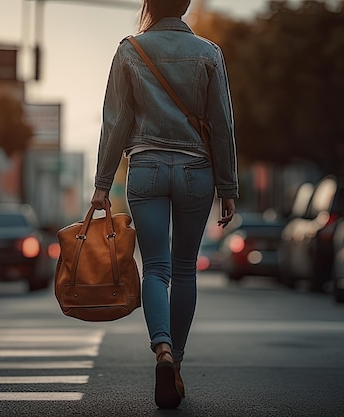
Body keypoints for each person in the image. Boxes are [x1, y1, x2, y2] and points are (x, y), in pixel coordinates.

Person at [91, 0, 239, 409]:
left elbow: (116, 122)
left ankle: (162, 352)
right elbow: (223, 124)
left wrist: (103, 184)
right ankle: (178, 365)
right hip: (197, 171)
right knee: (185, 268)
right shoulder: (210, 53)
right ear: (186, 4)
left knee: (155, 267)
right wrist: (228, 185)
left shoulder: (129, 50)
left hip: (147, 169)